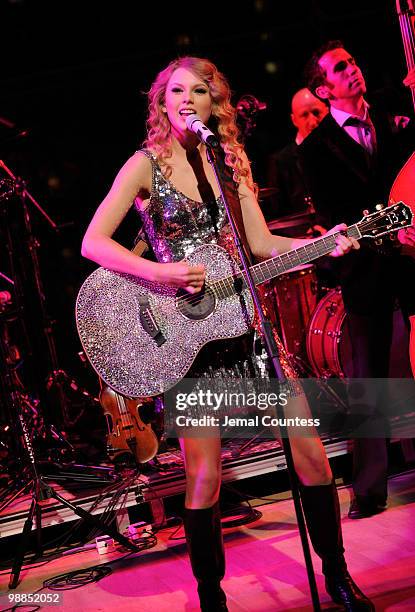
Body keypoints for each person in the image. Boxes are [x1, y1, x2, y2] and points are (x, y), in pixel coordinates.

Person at [81, 56, 374, 611]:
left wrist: (327, 242)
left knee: (311, 453)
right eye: (175, 91)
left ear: (214, 104)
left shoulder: (227, 160)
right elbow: (93, 242)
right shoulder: (146, 164)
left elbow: (262, 248)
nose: (186, 99)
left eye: (198, 91)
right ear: (161, 103)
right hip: (189, 344)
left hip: (247, 328)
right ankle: (212, 599)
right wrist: (159, 271)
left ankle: (337, 577)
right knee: (205, 478)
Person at [300, 41, 415, 521]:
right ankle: (369, 489)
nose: (353, 70)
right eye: (340, 68)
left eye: (353, 61)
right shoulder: (316, 148)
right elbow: (334, 216)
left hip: (413, 260)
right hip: (365, 268)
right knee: (368, 379)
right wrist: (381, 235)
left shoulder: (394, 116)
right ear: (323, 89)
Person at [267, 88, 328, 232]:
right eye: (304, 115)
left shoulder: (338, 149)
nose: (313, 121)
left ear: (327, 111)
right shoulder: (280, 161)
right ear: (294, 120)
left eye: (316, 112)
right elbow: (277, 216)